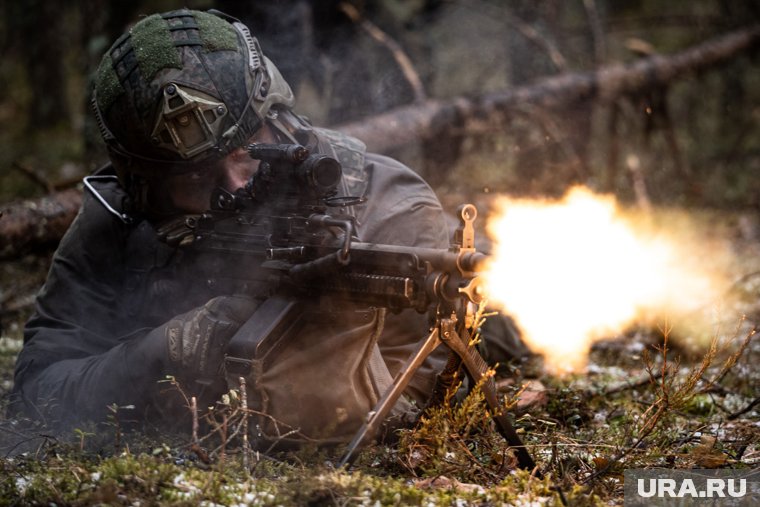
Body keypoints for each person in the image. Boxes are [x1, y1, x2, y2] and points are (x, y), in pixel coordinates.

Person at [10, 9, 450, 445]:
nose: (236, 189)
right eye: (196, 179)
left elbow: (413, 409)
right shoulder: (119, 218)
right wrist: (168, 351)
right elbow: (36, 394)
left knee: (497, 318)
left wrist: (316, 346)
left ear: (280, 124)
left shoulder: (387, 207)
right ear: (144, 188)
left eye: (249, 154)